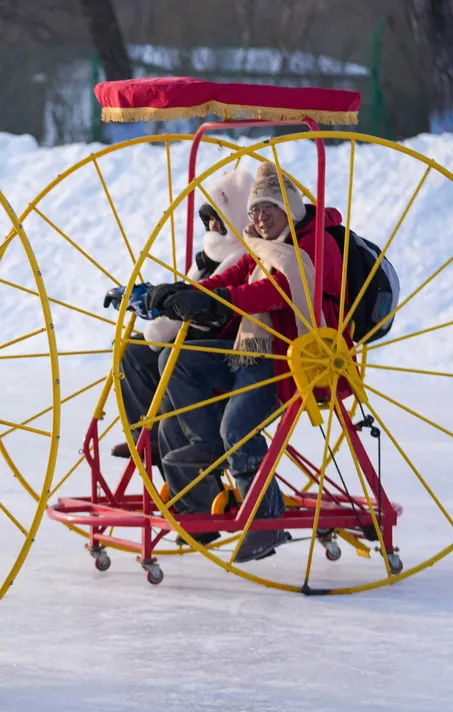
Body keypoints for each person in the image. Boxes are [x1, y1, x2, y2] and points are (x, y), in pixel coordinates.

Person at [142, 162, 347, 562]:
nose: (258, 218)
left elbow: (278, 292)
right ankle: (209, 446)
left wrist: (220, 302)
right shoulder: (259, 244)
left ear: (287, 208)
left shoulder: (314, 247)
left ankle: (266, 519)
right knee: (179, 360)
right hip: (255, 353)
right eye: (253, 211)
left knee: (238, 425)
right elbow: (229, 278)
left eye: (267, 209)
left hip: (300, 362)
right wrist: (183, 294)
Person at [109, 169, 255, 462]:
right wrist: (151, 299)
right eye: (207, 217)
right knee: (132, 351)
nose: (211, 225)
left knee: (166, 357)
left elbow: (199, 306)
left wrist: (157, 312)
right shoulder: (209, 259)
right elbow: (188, 295)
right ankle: (146, 436)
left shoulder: (242, 259)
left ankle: (180, 438)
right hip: (194, 337)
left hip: (223, 349)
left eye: (219, 218)